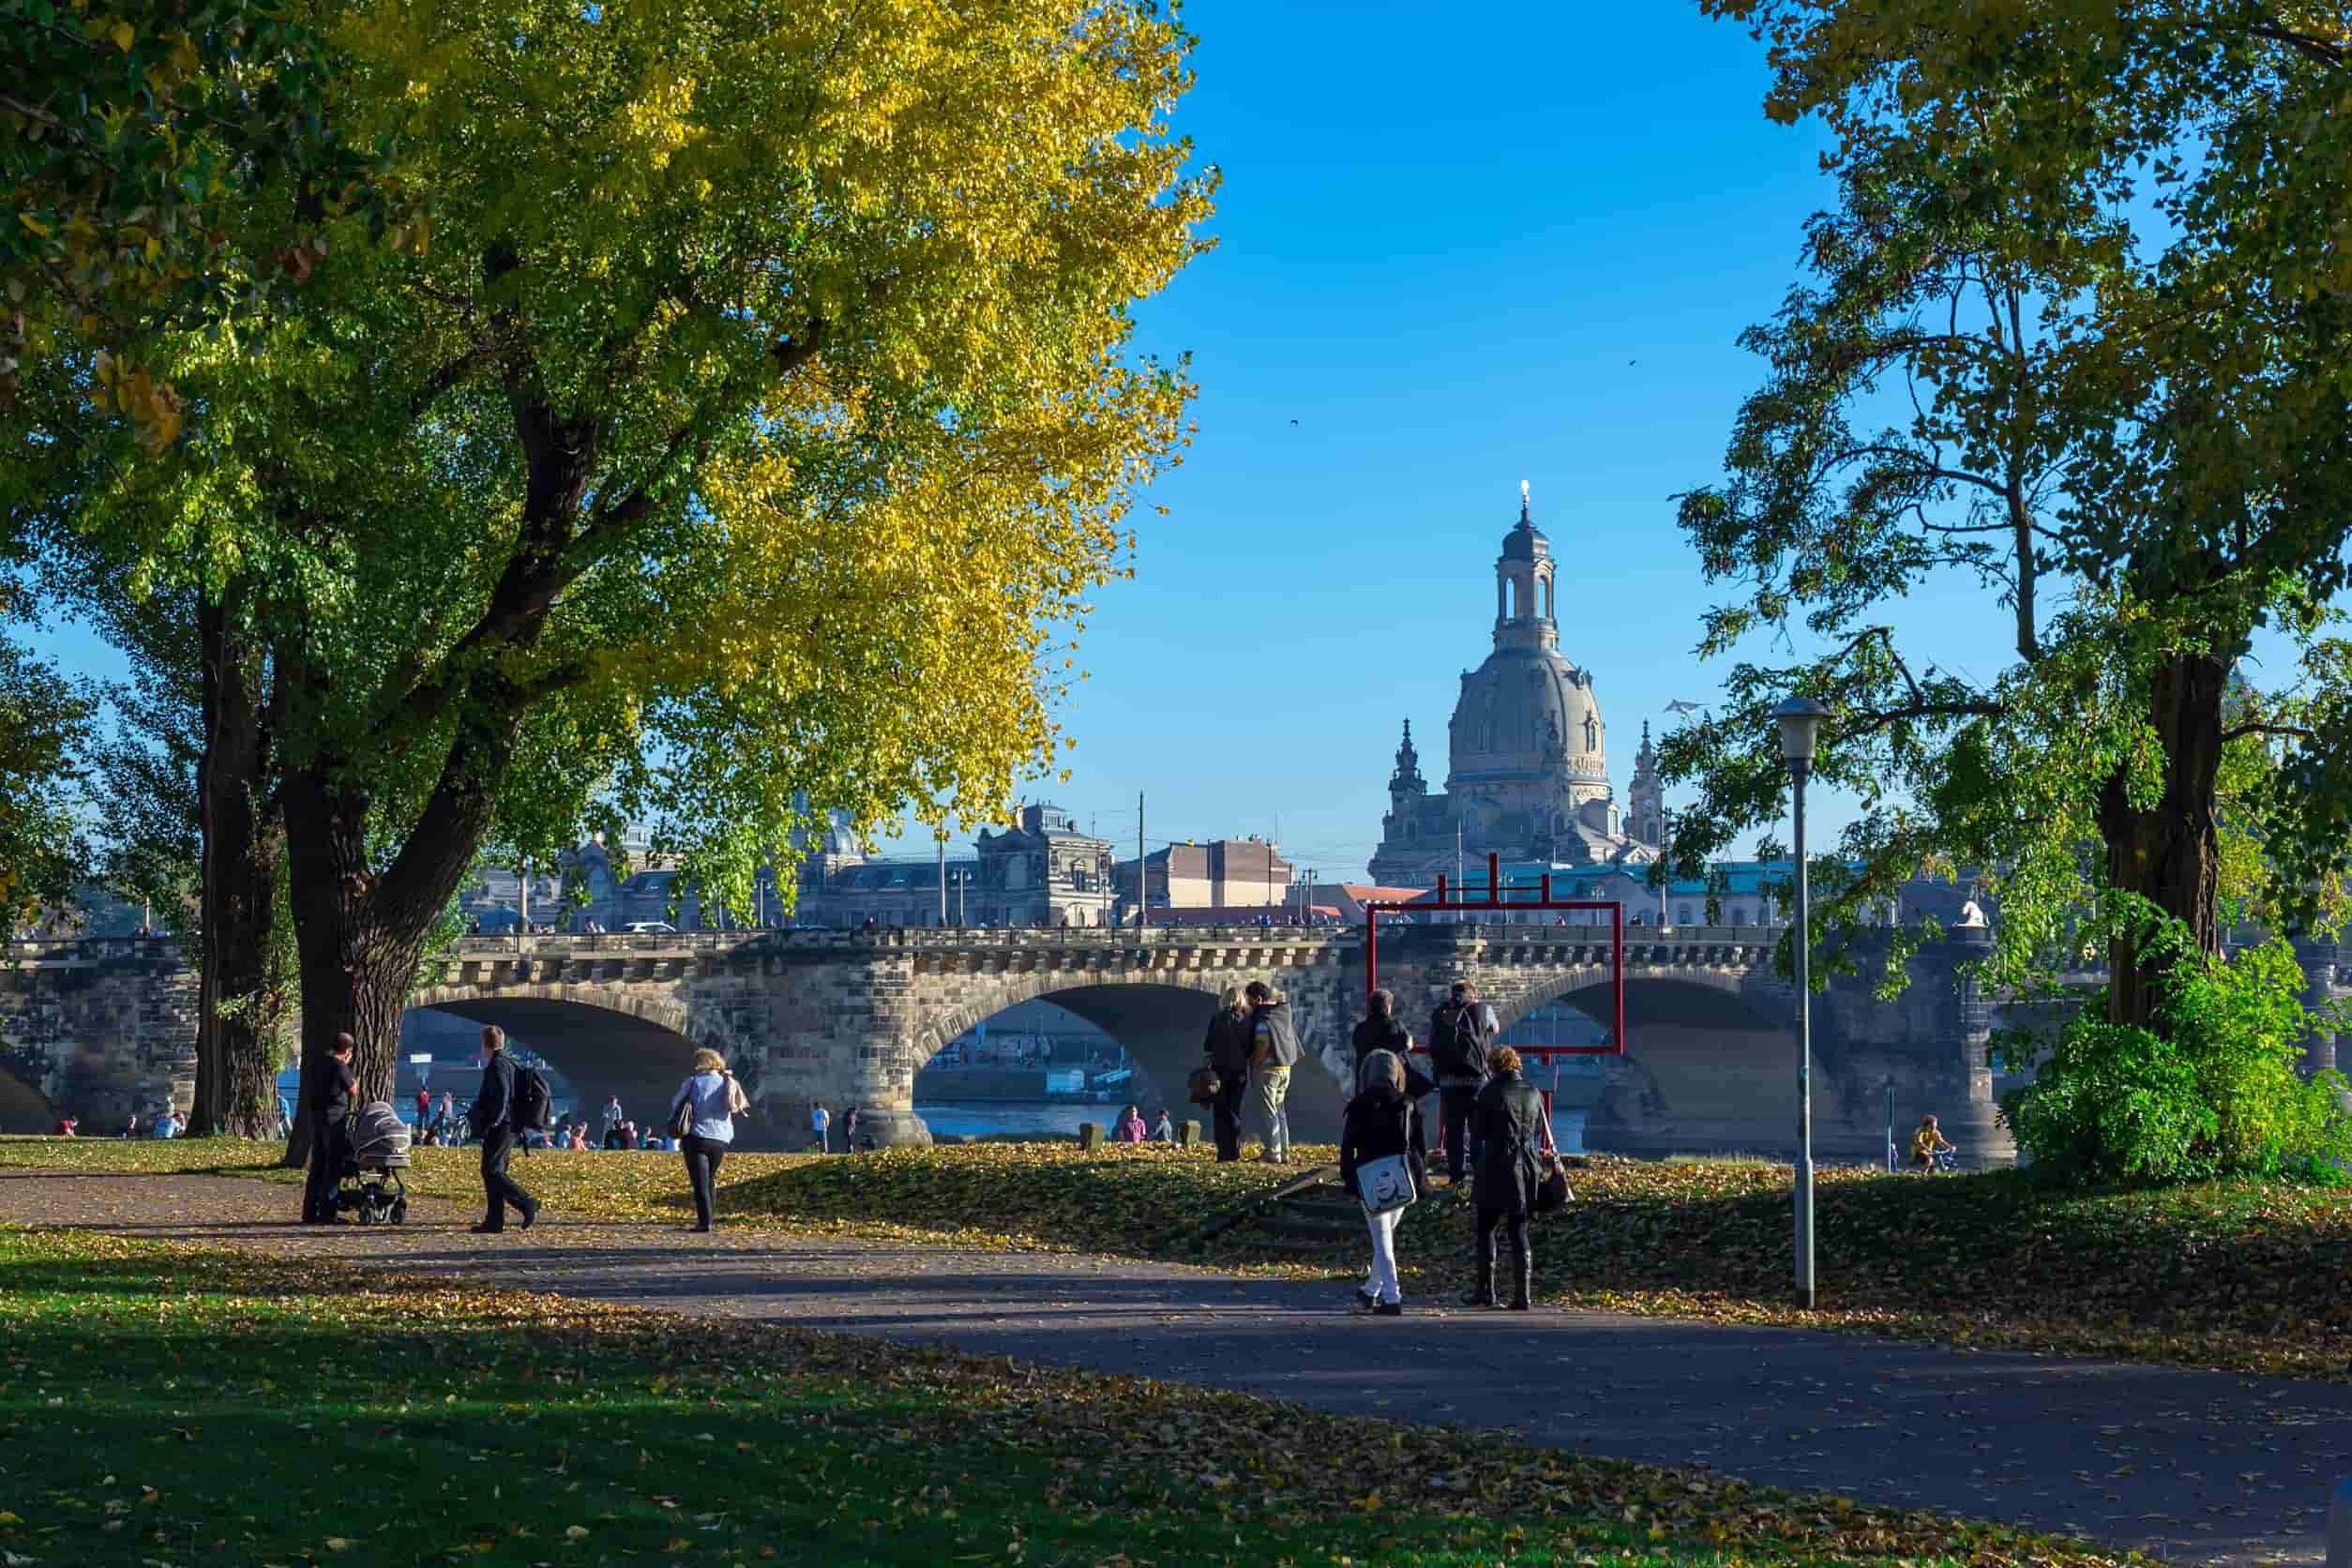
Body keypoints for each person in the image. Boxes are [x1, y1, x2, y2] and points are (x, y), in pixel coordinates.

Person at [1339, 1048, 1425, 1317]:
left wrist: (1350, 1179)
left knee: (1382, 1239)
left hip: (1370, 1176)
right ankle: (1371, 1290)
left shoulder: (1359, 1105)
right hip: (1401, 1176)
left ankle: (1392, 1298)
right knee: (1385, 1236)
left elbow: (1347, 1147)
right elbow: (1419, 1148)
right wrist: (1419, 1177)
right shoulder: (1408, 1105)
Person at [1465, 1046, 1547, 1311]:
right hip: (1527, 1167)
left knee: (1486, 1227)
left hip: (1497, 1165)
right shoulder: (1534, 1092)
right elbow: (1536, 1131)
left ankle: (1485, 1291)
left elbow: (1477, 1133)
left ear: (1493, 1066)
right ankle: (1523, 1295)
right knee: (1519, 1230)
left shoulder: (1490, 1093)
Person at [466, 1024, 540, 1234]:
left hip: (502, 1124)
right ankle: (494, 1220)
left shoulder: (497, 1065)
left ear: (485, 1044)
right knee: (493, 1171)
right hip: (512, 1123)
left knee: (492, 1170)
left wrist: (494, 1121)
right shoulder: (509, 1062)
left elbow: (502, 1095)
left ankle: (527, 1203)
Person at [1428, 981, 1496, 1184]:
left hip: (1449, 1081)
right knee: (1478, 1129)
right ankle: (1480, 1174)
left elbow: (1432, 1042)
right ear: (1473, 995)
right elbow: (1495, 1028)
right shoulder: (1482, 1009)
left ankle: (1456, 1176)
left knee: (1454, 1131)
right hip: (1477, 1080)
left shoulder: (1441, 1012)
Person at [302, 1033, 358, 1226]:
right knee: (332, 1165)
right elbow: (353, 1090)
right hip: (335, 1119)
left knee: (317, 1165)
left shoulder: (318, 1063)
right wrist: (347, 1066)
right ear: (347, 1051)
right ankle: (327, 1212)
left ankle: (309, 1211)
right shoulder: (339, 1066)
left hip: (317, 1116)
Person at [1245, 980, 1300, 1164]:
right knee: (1279, 1110)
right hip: (1285, 1068)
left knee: (1268, 1111)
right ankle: (1284, 1151)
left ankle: (1272, 1152)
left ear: (1258, 999)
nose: (1248, 1004)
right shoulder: (1282, 1013)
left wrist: (1254, 1063)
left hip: (1268, 1070)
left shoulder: (1263, 1018)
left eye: (1250, 1000)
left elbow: (1262, 1043)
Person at [1201, 988, 1253, 1162]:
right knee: (1234, 1110)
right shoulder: (1247, 1020)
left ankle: (1223, 1152)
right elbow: (1249, 1047)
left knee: (1220, 1111)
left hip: (1219, 1071)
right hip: (1239, 1072)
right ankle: (1235, 1150)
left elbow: (1207, 1045)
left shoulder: (1217, 1018)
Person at [1351, 988, 1412, 1091]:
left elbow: (1356, 1044)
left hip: (1366, 1083)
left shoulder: (1360, 1029)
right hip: (1392, 1082)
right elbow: (1408, 1045)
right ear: (1388, 1007)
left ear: (1370, 1008)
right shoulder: (1396, 1026)